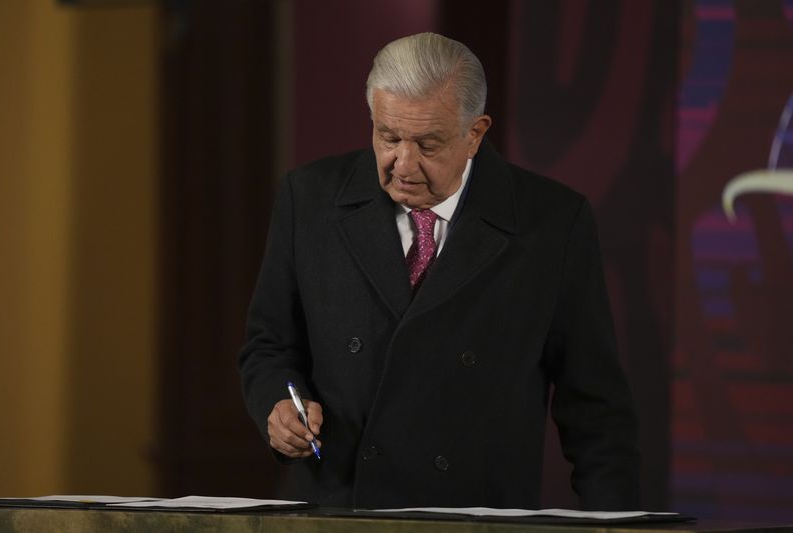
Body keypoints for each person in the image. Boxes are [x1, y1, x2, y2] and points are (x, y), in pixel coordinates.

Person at [238, 32, 640, 510]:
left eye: (428, 144)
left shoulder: (553, 223)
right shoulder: (309, 199)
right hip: (338, 506)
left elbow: (595, 405)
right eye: (388, 137)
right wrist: (279, 407)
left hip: (478, 513)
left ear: (475, 133)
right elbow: (269, 345)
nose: (403, 164)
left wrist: (616, 521)